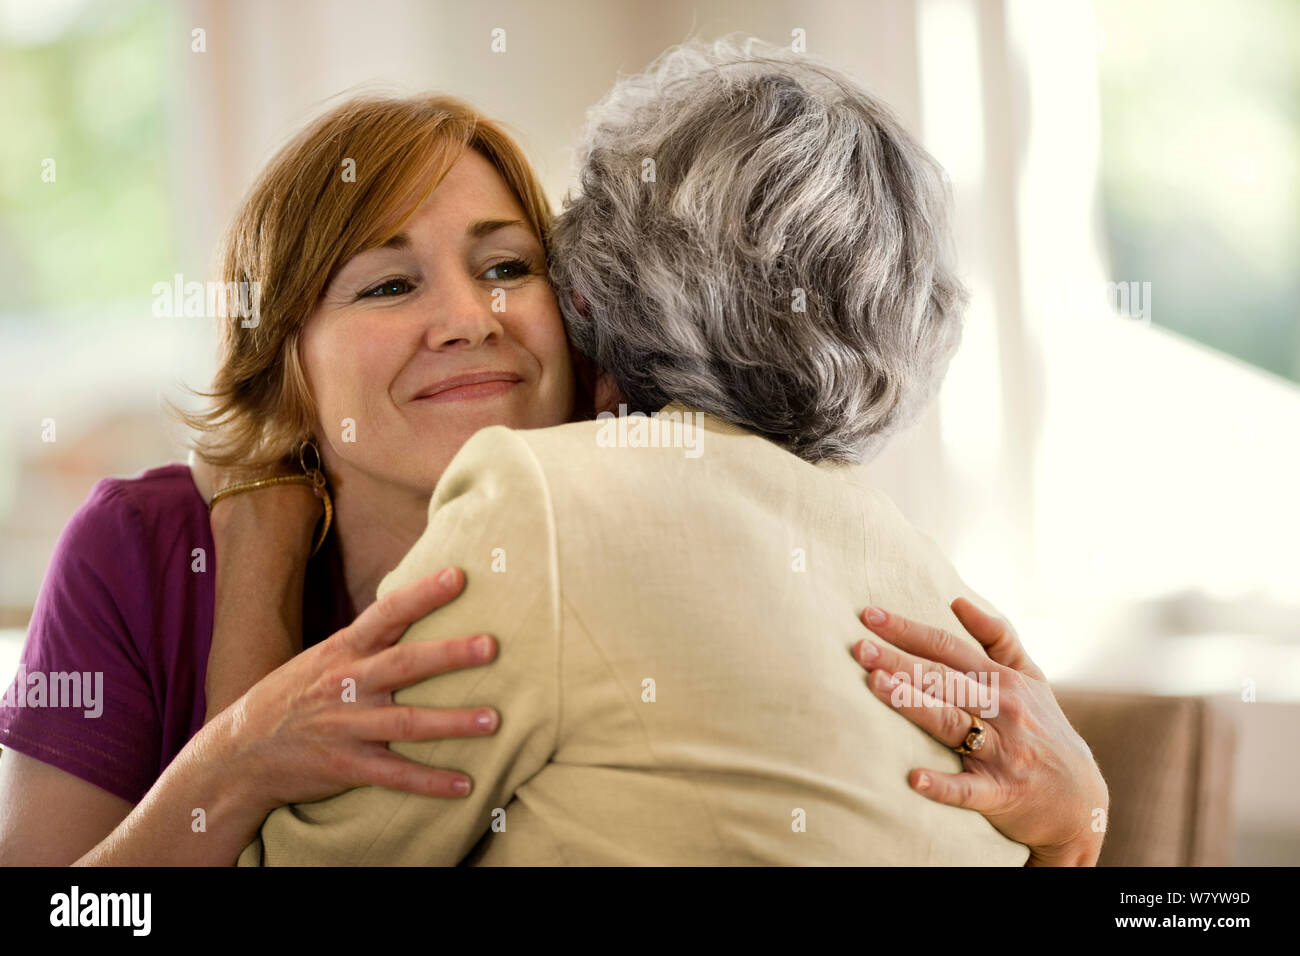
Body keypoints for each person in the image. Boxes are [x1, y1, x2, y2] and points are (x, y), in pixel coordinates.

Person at [0, 47, 1105, 866]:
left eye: (507, 268)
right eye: (389, 284)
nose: (466, 319)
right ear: (283, 362)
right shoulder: (142, 549)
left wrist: (1079, 822)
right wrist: (231, 745)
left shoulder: (676, 533)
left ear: (581, 312)